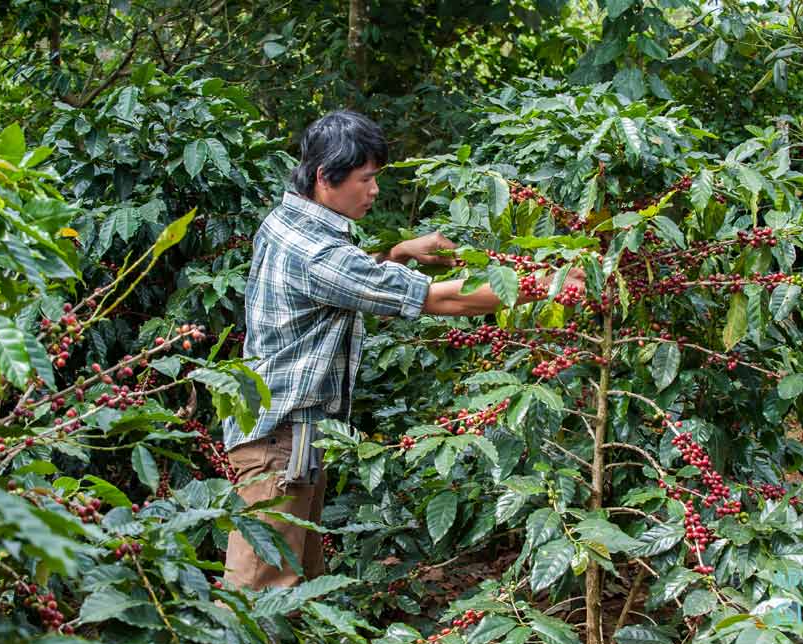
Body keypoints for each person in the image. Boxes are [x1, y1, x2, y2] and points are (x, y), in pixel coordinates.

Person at [222, 110, 583, 591]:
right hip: (279, 446)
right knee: (257, 598)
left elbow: (338, 282)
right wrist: (543, 284)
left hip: (288, 438)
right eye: (366, 180)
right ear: (325, 178)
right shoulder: (317, 253)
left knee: (294, 593)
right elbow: (439, 298)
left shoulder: (289, 222)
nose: (374, 192)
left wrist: (397, 253)